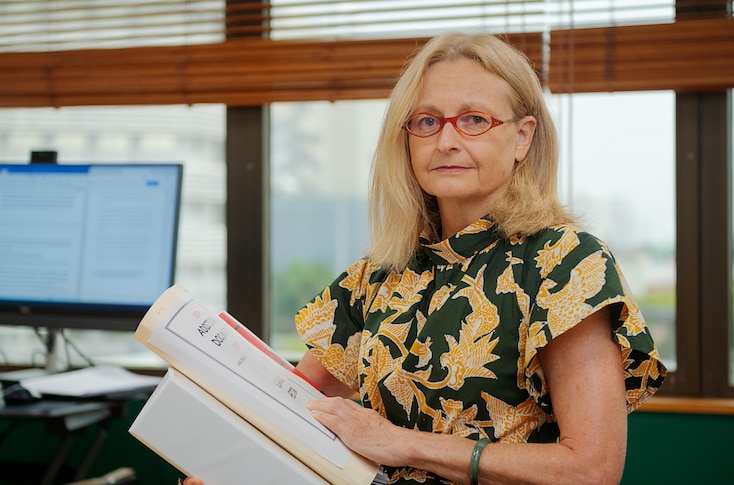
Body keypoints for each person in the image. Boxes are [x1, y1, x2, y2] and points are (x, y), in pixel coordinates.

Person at [185, 31, 666, 485]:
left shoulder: (566, 263)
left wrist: (403, 445)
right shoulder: (379, 272)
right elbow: (291, 409)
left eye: (475, 120)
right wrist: (227, 459)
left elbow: (591, 469)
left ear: (522, 138)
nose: (447, 141)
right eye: (428, 121)